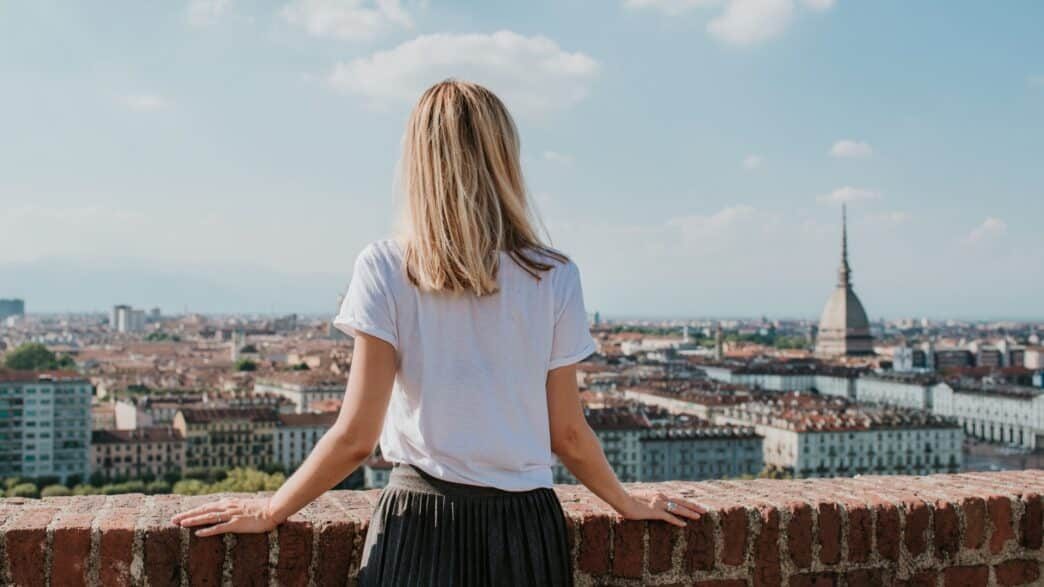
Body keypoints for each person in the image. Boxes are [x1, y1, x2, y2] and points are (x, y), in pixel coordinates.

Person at [170, 79, 702, 586]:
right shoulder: (554, 275)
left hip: (418, 521)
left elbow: (355, 438)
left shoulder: (386, 266)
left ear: (419, 163)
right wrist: (625, 502)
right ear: (505, 158)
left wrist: (272, 509)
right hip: (524, 529)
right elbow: (568, 434)